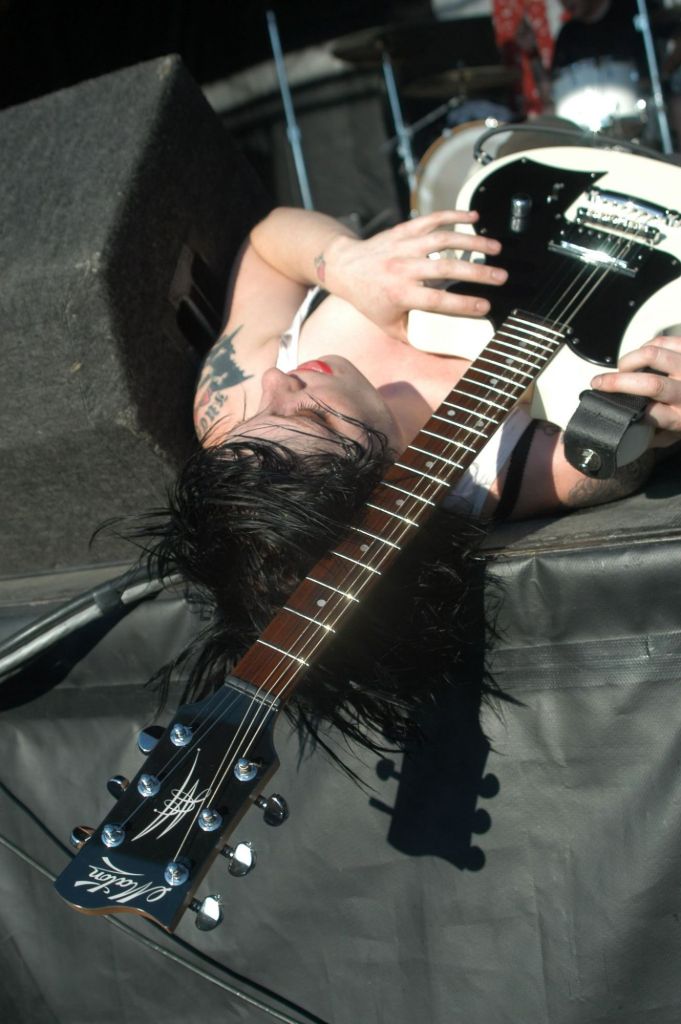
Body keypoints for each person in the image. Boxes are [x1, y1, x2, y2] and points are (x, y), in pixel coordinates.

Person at [143, 206, 681, 749]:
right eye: (314, 418)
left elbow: (265, 245)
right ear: (386, 489)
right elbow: (623, 451)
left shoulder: (230, 419)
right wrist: (664, 402)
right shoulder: (508, 471)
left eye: (262, 410)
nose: (275, 382)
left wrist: (342, 261)